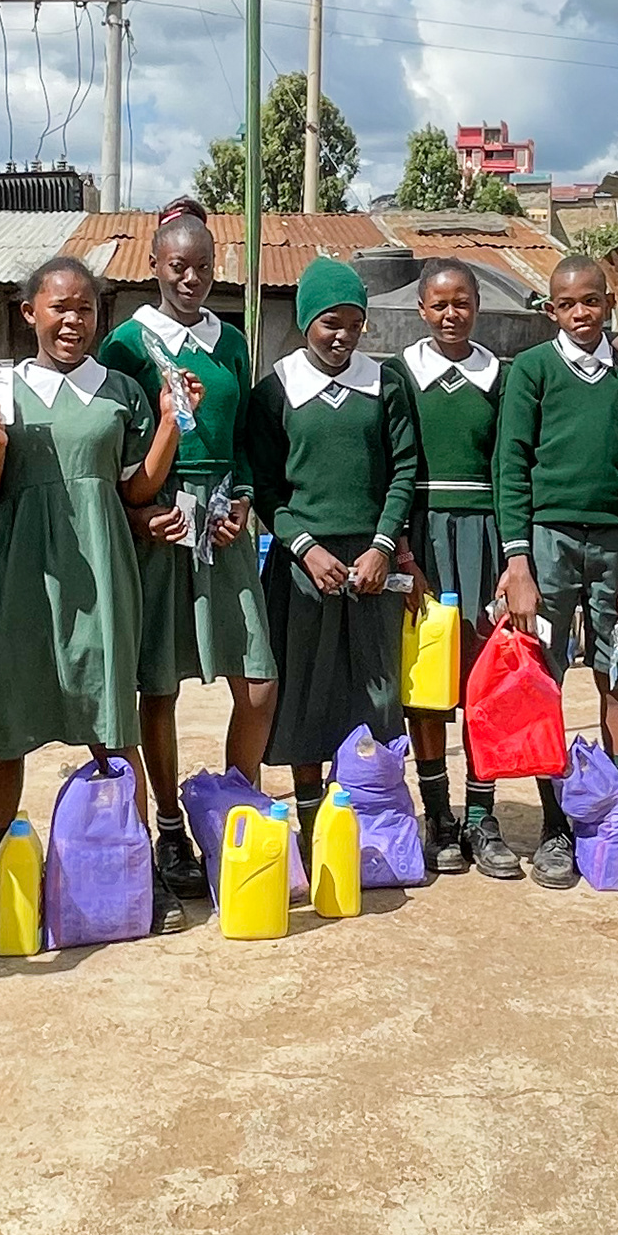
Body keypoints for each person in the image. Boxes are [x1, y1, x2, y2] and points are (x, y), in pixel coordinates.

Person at [0, 257, 176, 924]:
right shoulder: (3, 390)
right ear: (30, 313)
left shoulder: (120, 391)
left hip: (101, 568)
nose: (72, 321)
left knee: (109, 716)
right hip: (18, 567)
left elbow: (133, 488)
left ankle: (137, 868)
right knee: (5, 719)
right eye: (58, 308)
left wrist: (169, 420)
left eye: (84, 308)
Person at [100, 200, 274, 896]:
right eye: (178, 266)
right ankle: (170, 830)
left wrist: (243, 498)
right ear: (154, 266)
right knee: (159, 685)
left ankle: (239, 811)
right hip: (161, 523)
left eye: (203, 267)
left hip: (224, 526)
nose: (192, 279)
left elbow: (244, 440)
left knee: (258, 682)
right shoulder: (125, 345)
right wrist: (138, 517)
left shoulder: (229, 340)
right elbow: (111, 446)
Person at [495, 253, 618, 889]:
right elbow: (510, 465)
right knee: (543, 680)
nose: (580, 315)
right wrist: (518, 560)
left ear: (608, 304)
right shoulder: (534, 371)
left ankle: (617, 825)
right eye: (567, 305)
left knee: (616, 676)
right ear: (552, 311)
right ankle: (557, 827)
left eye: (591, 302)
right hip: (547, 543)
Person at [237, 257, 426, 834]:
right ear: (305, 323)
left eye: (352, 323)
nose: (342, 336)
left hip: (372, 563)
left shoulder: (385, 383)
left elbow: (404, 470)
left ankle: (370, 812)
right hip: (303, 567)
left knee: (374, 689)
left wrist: (382, 546)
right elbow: (266, 486)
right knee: (306, 691)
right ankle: (315, 815)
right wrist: (304, 549)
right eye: (328, 323)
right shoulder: (276, 391)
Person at [397, 261, 512, 874]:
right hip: (421, 540)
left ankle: (480, 814)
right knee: (427, 688)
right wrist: (406, 552)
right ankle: (436, 813)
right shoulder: (400, 375)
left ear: (477, 306)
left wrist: (508, 557)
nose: (451, 314)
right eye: (439, 304)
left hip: (484, 537)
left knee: (480, 684)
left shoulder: (500, 376)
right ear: (421, 308)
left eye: (462, 303)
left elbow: (508, 464)